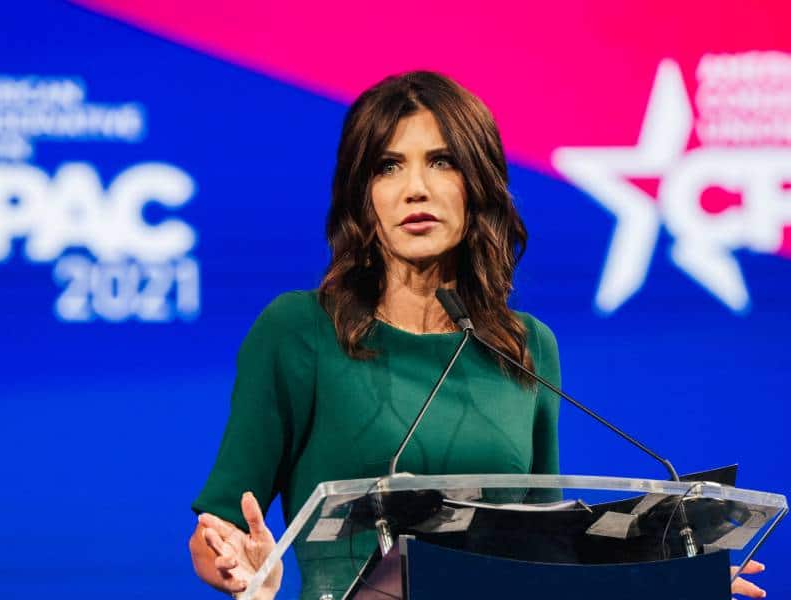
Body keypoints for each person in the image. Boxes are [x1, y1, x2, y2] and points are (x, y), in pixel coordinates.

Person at [187, 71, 767, 599]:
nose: (415, 187)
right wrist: (235, 558)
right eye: (388, 166)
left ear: (477, 184)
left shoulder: (526, 346)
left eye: (441, 161)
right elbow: (220, 527)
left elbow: (548, 554)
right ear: (364, 196)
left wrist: (673, 574)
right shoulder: (299, 331)